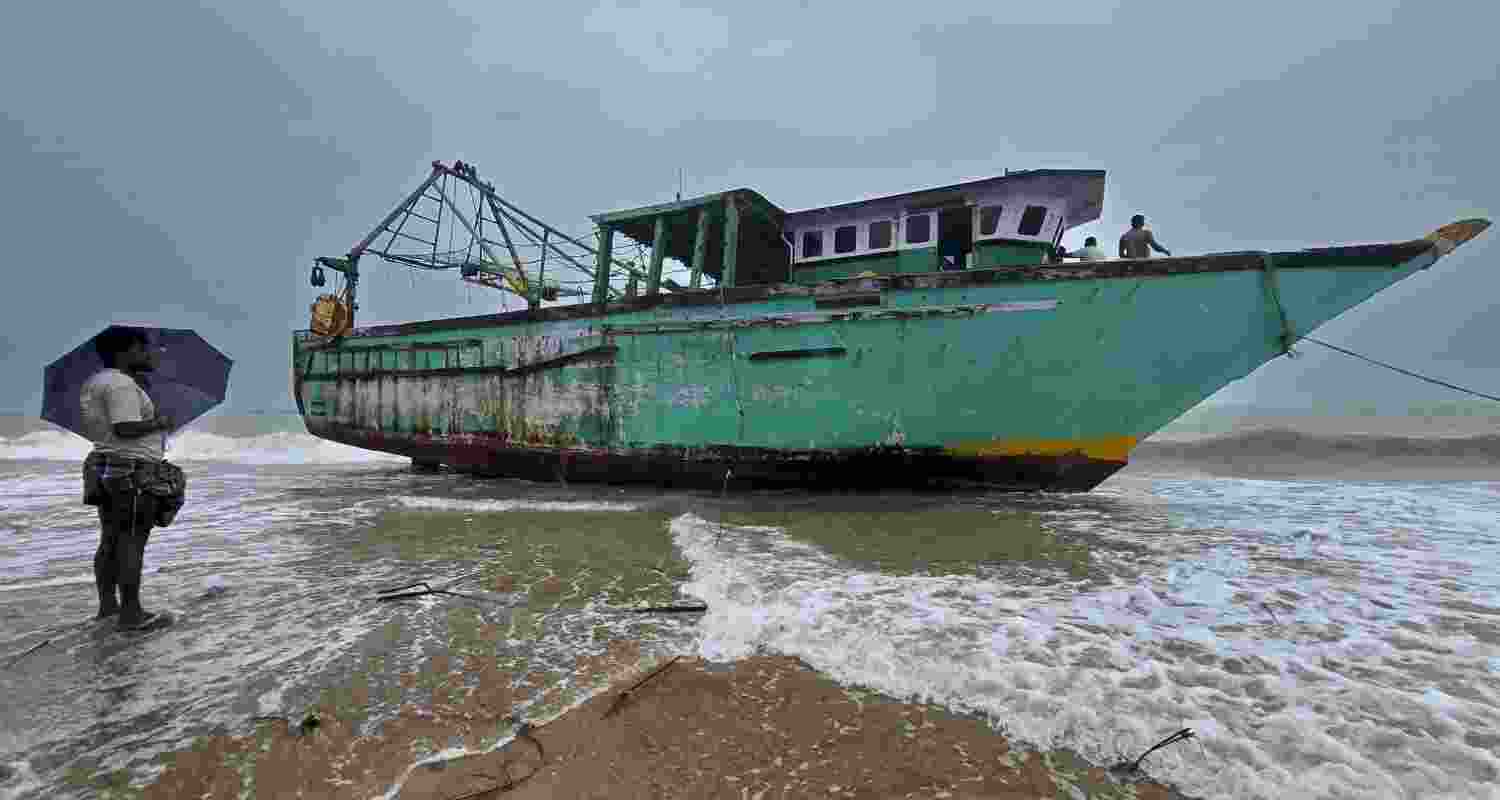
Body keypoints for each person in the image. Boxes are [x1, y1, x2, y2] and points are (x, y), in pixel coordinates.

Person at [79, 326, 174, 629]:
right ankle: (131, 614)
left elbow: (113, 429)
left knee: (111, 537)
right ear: (125, 351)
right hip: (131, 468)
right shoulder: (120, 384)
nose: (148, 354)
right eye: (142, 349)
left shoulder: (97, 382)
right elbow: (124, 427)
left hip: (106, 464)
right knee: (132, 539)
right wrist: (159, 422)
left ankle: (109, 607)